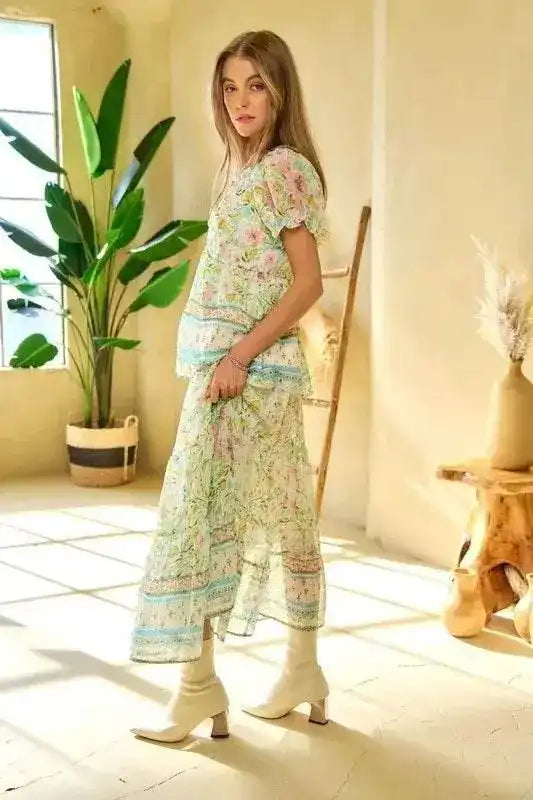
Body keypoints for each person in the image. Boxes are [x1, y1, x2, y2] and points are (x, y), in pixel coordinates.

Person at [130, 29, 330, 744]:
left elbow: (306, 285)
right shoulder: (245, 170)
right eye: (229, 86)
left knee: (197, 522)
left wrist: (238, 357)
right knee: (276, 515)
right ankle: (299, 671)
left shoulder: (282, 169)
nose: (240, 101)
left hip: (243, 376)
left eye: (255, 85)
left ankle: (198, 688)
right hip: (236, 374)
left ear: (279, 91)